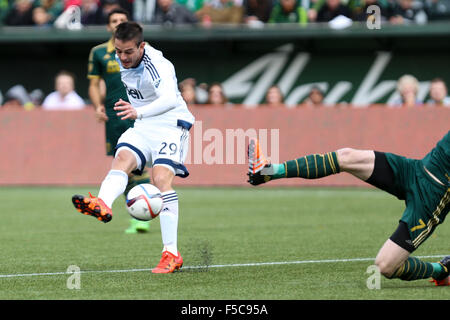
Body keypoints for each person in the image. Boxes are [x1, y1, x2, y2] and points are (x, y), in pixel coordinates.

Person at [247, 132, 450, 286]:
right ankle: (267, 172)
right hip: (415, 169)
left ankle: (441, 270)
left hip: (432, 198)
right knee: (347, 156)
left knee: (385, 266)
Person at [72, 21, 195, 274]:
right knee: (122, 158)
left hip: (171, 125)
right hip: (144, 124)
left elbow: (170, 99)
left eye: (128, 52)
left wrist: (137, 112)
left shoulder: (158, 63)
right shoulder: (121, 58)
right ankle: (103, 203)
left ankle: (171, 253)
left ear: (142, 46)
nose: (123, 57)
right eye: (118, 51)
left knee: (161, 179)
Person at [87, 8, 152, 234]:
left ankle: (142, 216)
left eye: (122, 21)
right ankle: (138, 212)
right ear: (108, 27)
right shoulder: (98, 53)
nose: (117, 24)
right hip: (115, 117)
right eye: (114, 21)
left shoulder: (141, 51)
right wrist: (97, 106)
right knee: (122, 166)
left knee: (138, 167)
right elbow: (94, 84)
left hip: (139, 113)